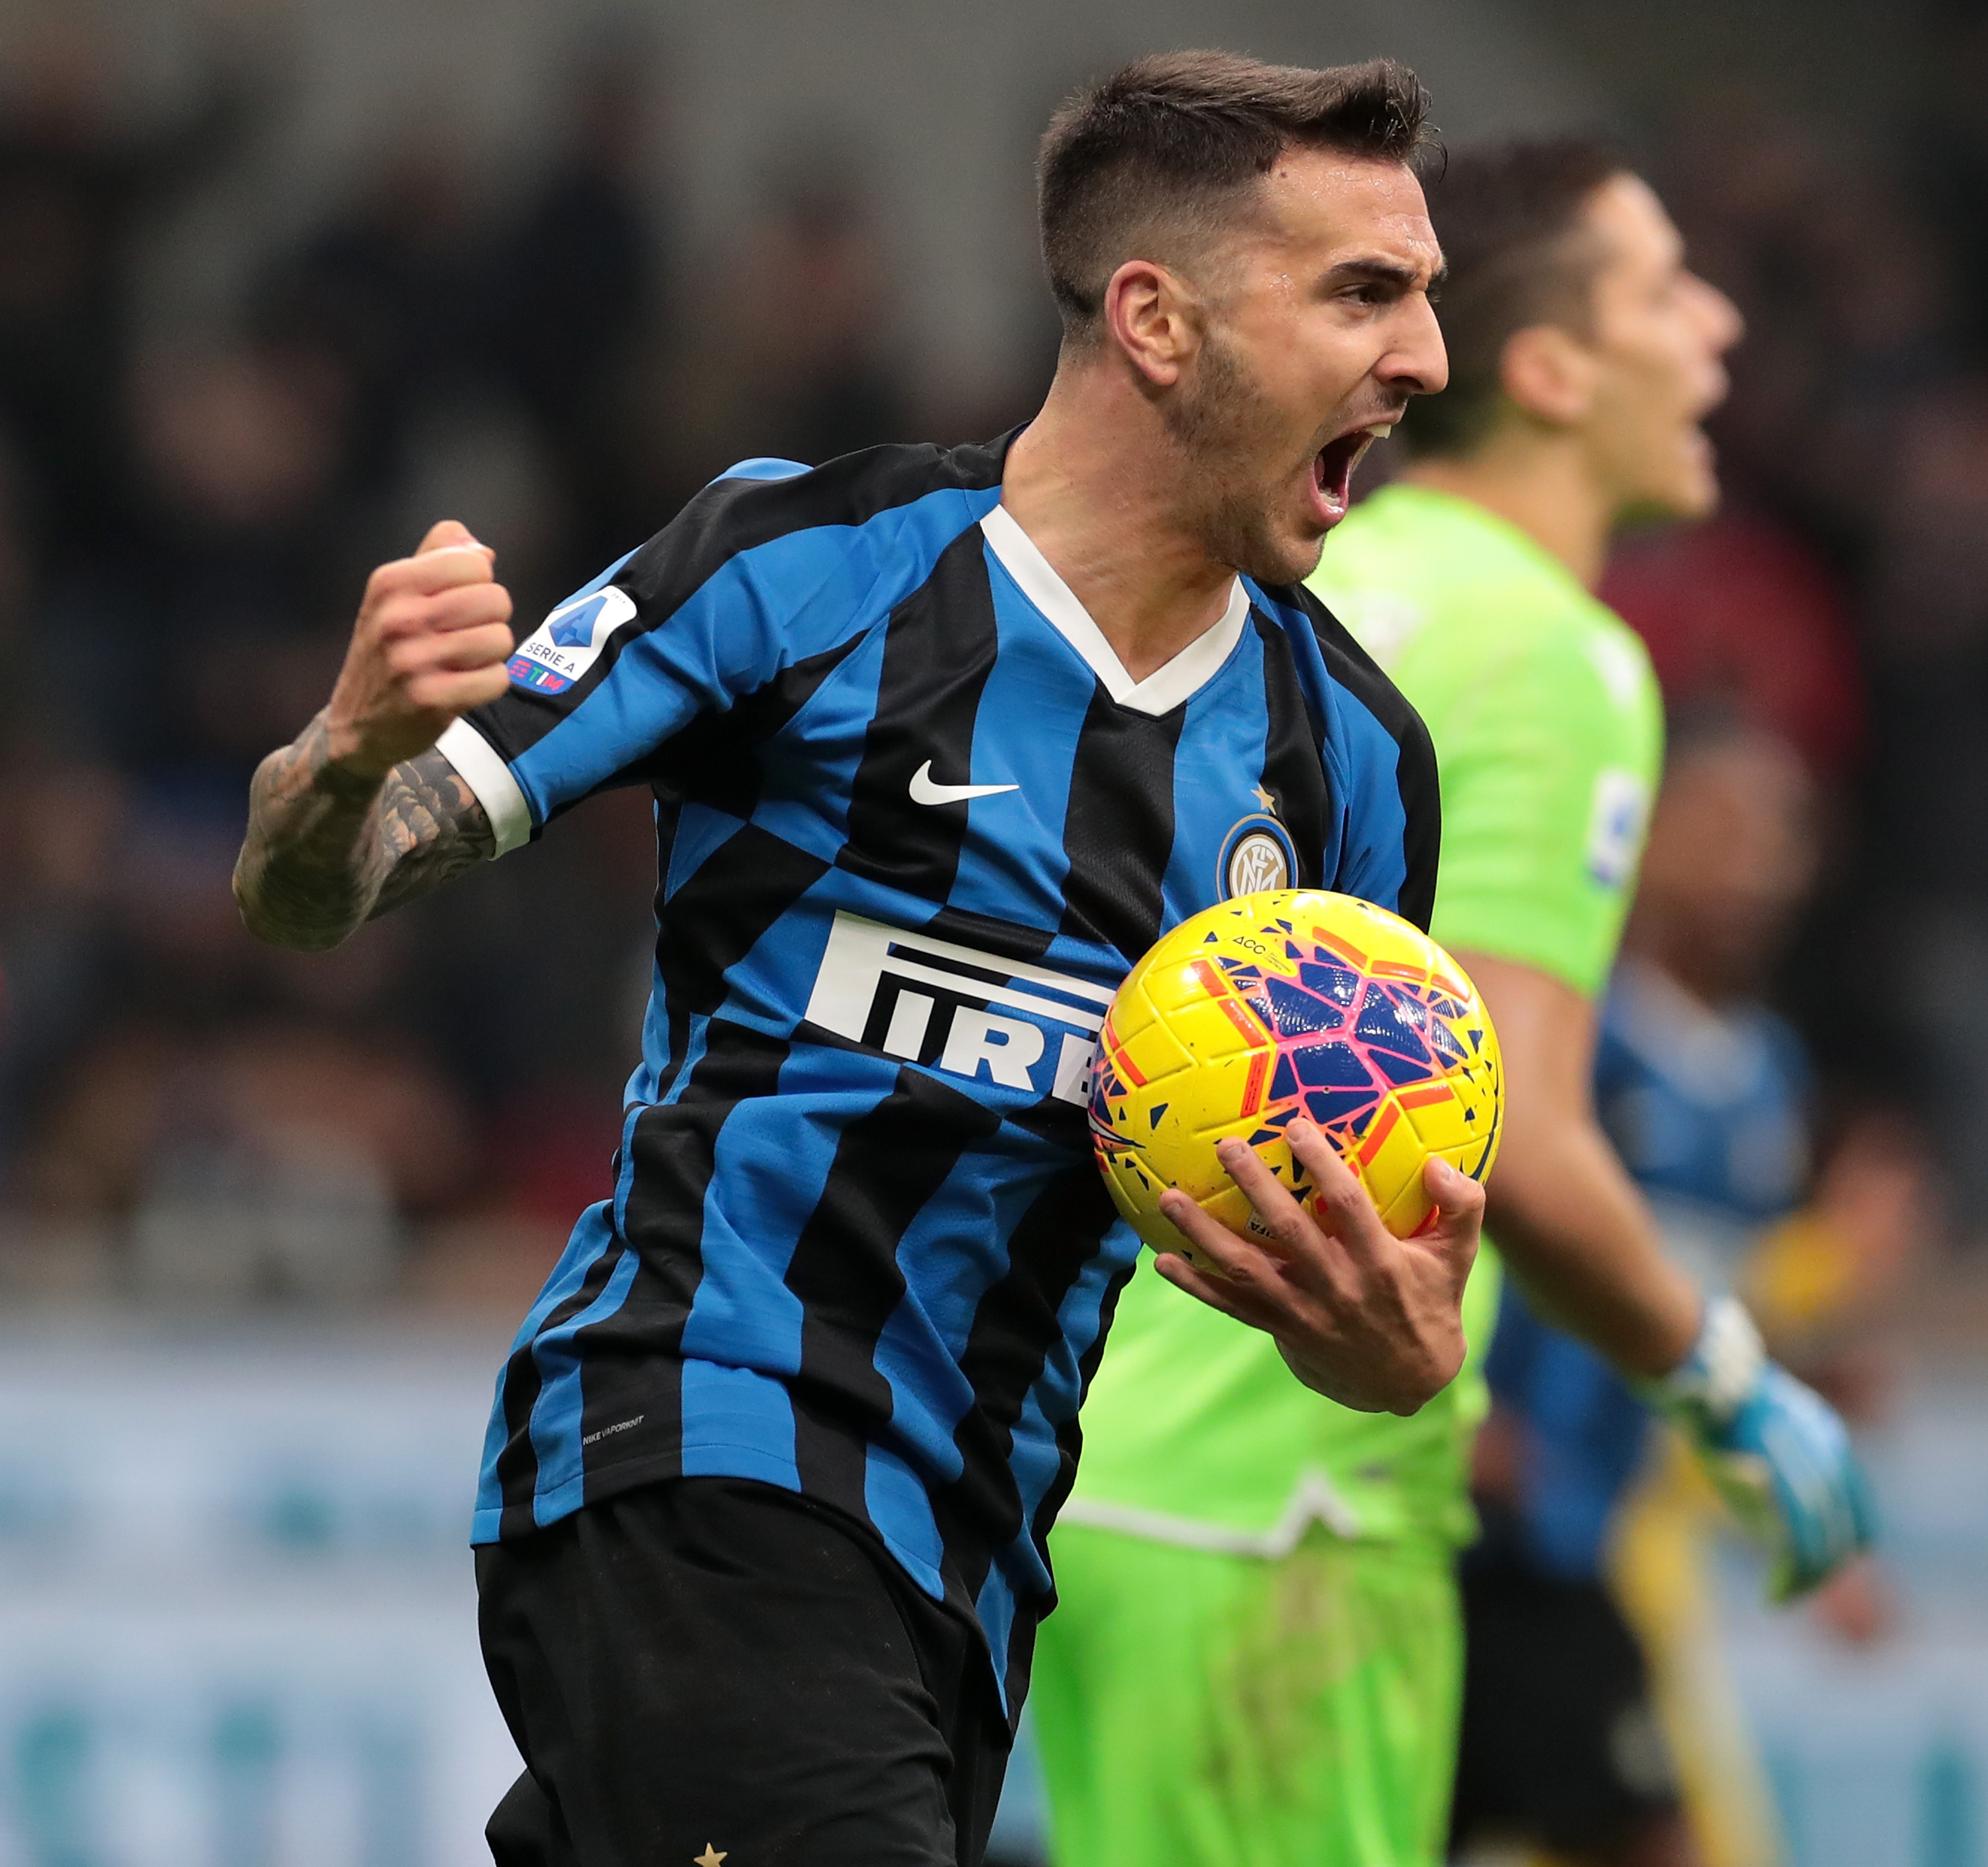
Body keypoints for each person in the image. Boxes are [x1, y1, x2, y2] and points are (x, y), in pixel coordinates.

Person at [235, 52, 1485, 1867]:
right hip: (699, 1436)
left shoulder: (1352, 763)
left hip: (969, 1567)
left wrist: (1395, 1351)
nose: (1423, 356)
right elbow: (320, 889)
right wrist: (334, 766)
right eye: (1366, 290)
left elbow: (1377, 1287)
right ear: (1155, 318)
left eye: (1430, 295)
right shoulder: (811, 570)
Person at [1030, 138, 1871, 1867]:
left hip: (1108, 1446)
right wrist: (1725, 1381)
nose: (1715, 327)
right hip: (1292, 1494)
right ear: (1553, 372)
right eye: (1661, 287)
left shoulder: (1320, 585)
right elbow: (1521, 1127)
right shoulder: (1556, 654)